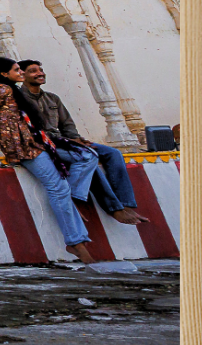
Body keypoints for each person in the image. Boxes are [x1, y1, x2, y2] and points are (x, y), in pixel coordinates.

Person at [0, 56, 110, 264]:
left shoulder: (12, 90)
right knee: (58, 188)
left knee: (85, 155)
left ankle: (73, 199)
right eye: (16, 70)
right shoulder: (2, 89)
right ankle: (76, 242)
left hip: (38, 143)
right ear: (4, 74)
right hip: (25, 149)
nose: (20, 72)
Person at [16, 58, 144, 227]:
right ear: (22, 75)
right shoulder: (19, 100)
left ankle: (126, 203)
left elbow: (67, 124)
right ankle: (113, 208)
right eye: (33, 71)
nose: (40, 73)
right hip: (44, 144)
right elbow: (30, 131)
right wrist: (70, 142)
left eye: (40, 70)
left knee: (113, 153)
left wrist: (76, 138)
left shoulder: (52, 98)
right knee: (87, 157)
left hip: (65, 141)